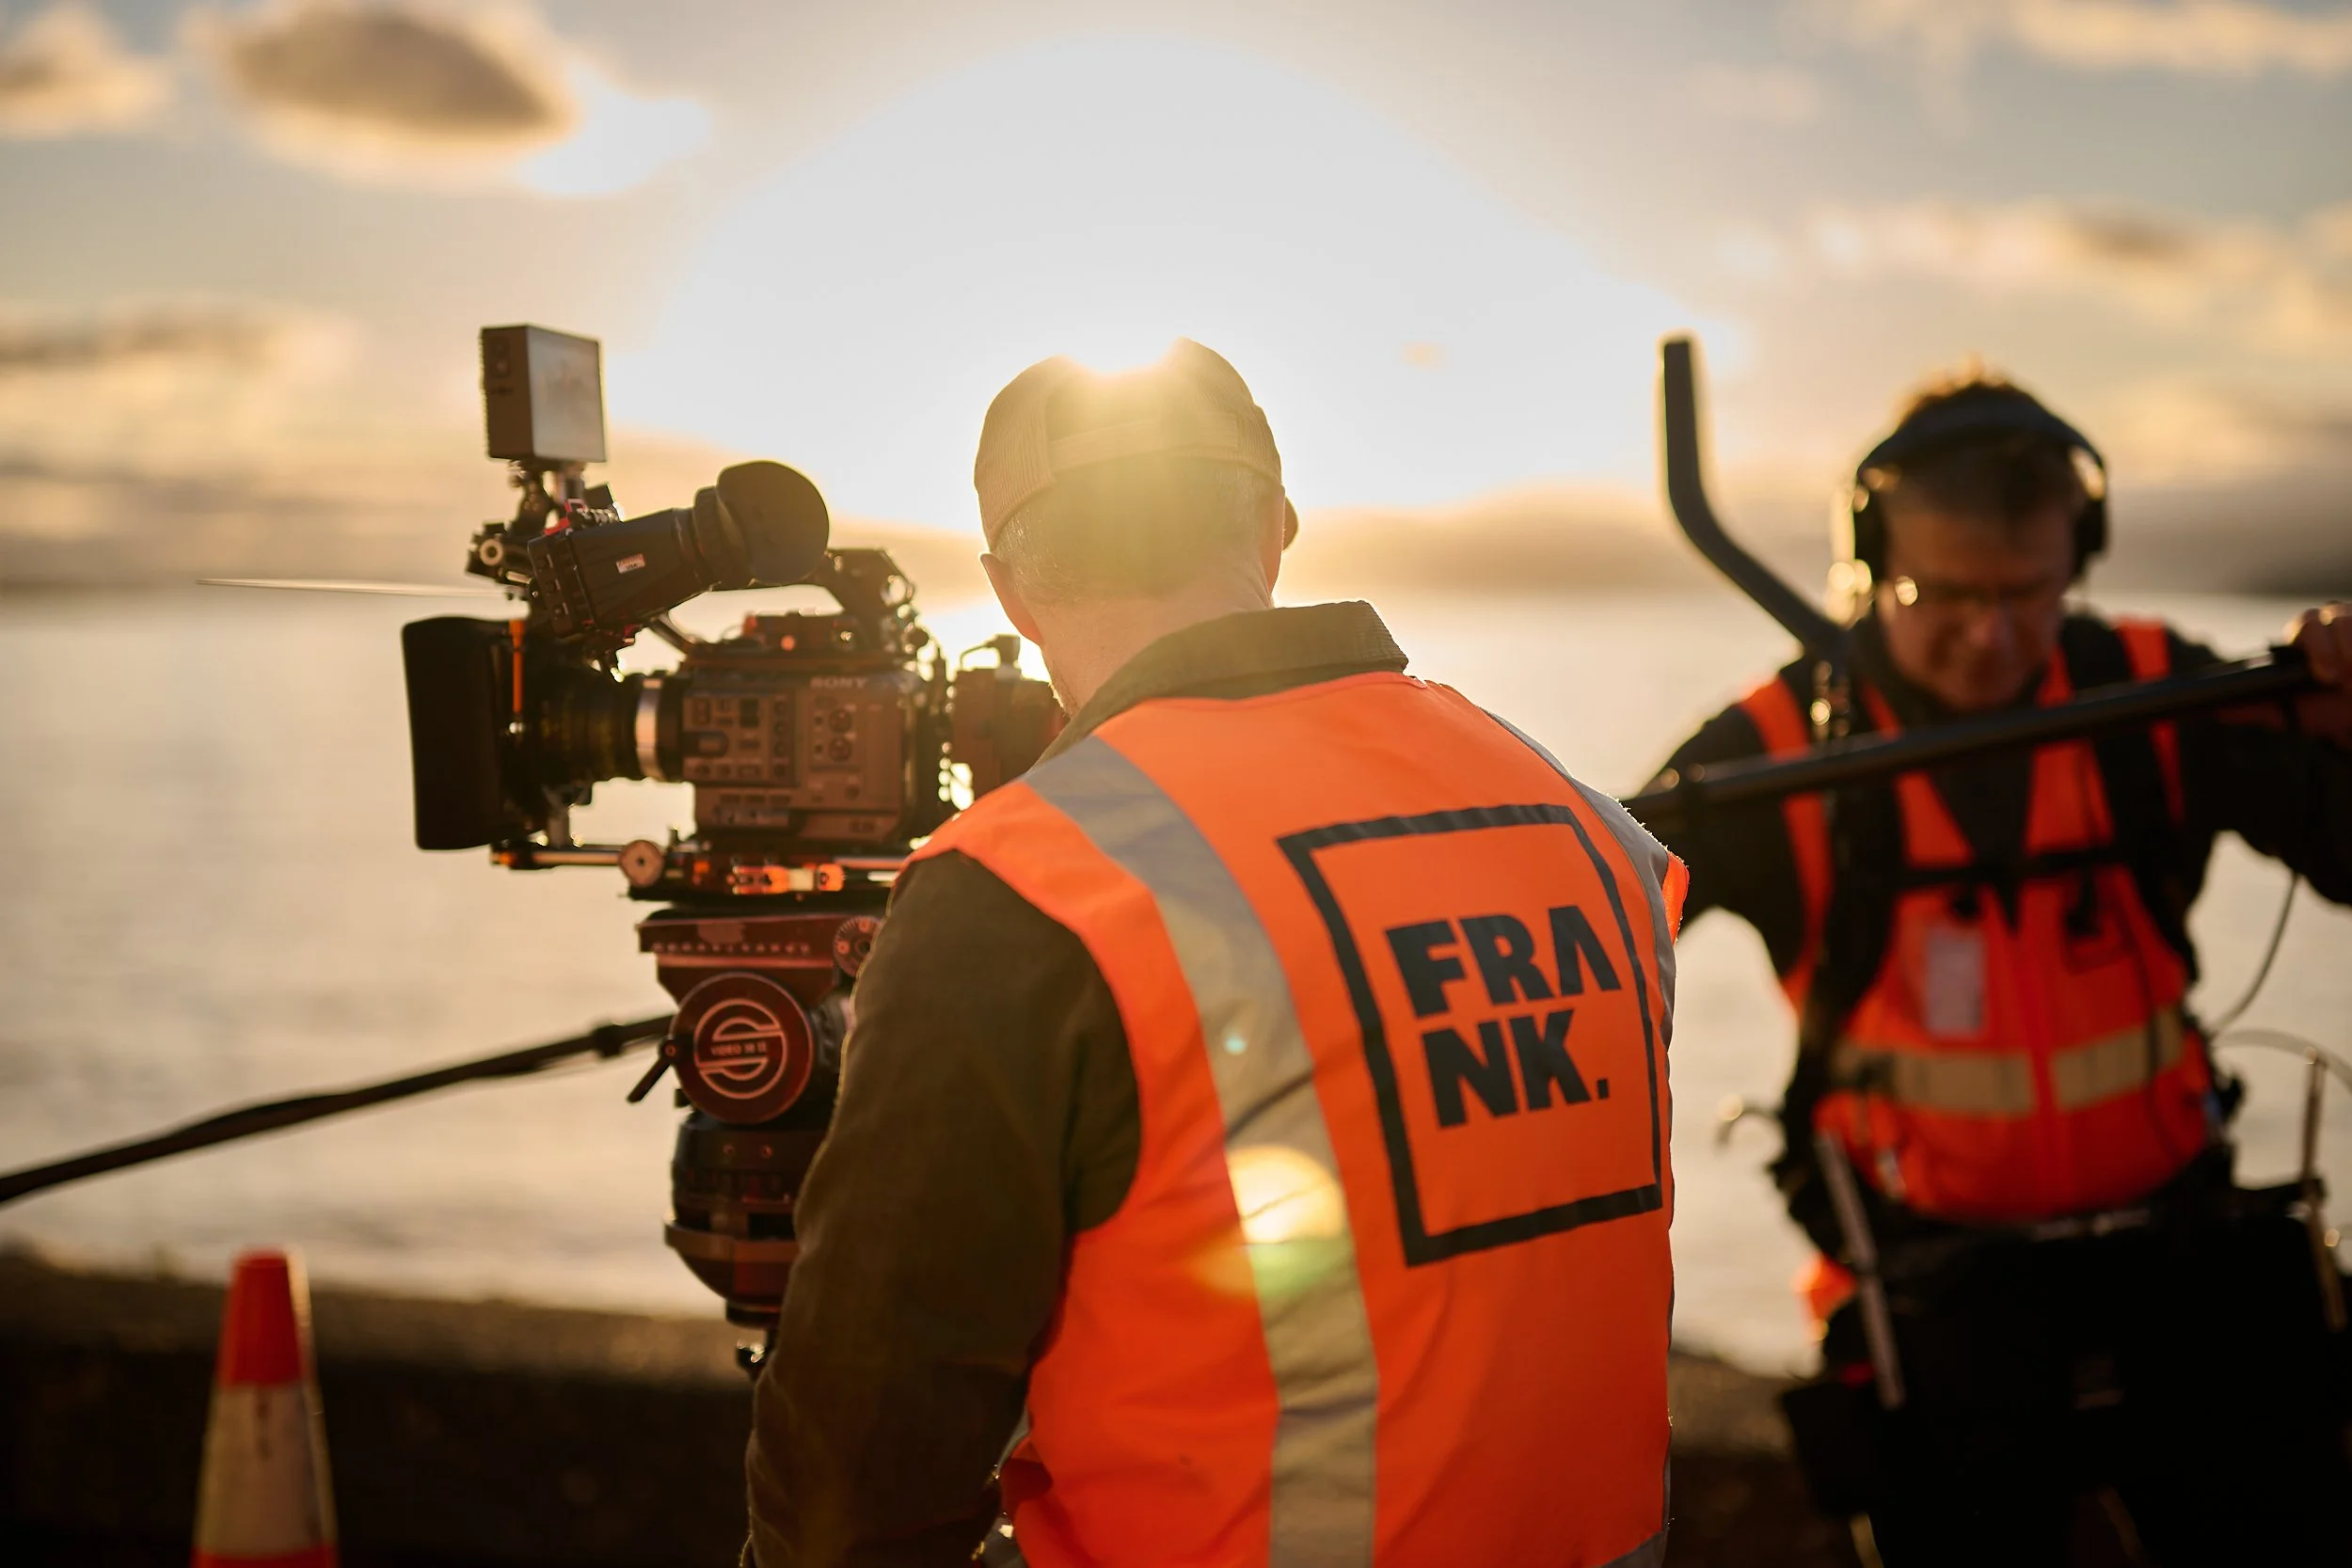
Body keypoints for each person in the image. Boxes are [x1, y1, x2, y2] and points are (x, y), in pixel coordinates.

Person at [743, 341, 1687, 1567]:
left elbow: (857, 1481)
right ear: (1276, 525)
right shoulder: (1588, 829)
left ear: (1012, 592)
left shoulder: (1026, 888)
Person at [1645, 368, 2352, 1566]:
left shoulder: (2150, 685)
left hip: (2182, 1241)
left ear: (2077, 556)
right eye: (1946, 596)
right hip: (1928, 1286)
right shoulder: (1772, 750)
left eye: (2030, 593)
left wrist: (2340, 713)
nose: (1994, 635)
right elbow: (1601, 929)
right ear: (1866, 563)